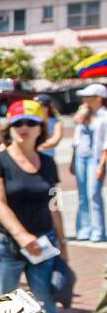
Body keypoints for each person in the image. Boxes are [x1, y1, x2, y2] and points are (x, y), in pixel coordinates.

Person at [0, 100, 64, 313]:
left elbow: (54, 204)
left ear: (41, 128)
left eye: (31, 122)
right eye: (18, 123)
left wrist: (63, 246)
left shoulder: (48, 163)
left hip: (43, 242)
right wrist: (22, 236)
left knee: (45, 303)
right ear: (9, 128)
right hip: (6, 244)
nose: (24, 128)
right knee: (4, 304)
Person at [71, 83, 107, 242]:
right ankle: (84, 229)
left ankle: (98, 231)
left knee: (94, 194)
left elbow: (106, 144)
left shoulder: (104, 116)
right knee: (82, 195)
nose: (85, 100)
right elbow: (76, 139)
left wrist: (101, 165)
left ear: (99, 98)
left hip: (95, 159)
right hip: (81, 157)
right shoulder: (84, 114)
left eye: (89, 97)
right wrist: (72, 159)